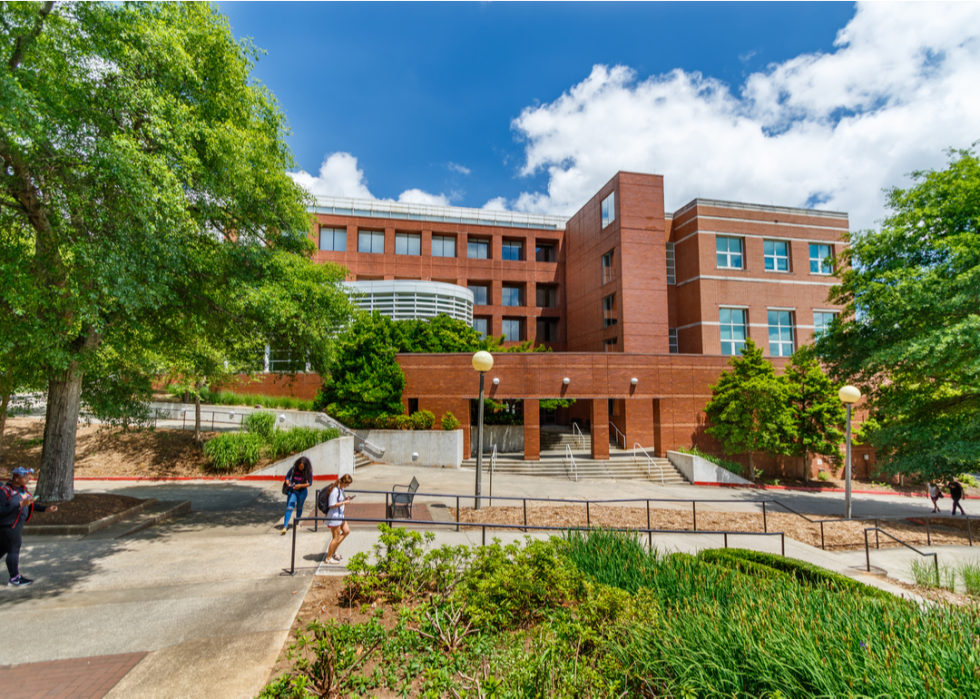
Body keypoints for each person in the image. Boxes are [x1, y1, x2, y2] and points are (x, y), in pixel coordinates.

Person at [1, 467, 58, 587]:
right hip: (8, 526)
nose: (28, 480)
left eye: (28, 477)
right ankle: (15, 578)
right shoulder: (4, 491)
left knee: (3, 548)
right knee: (13, 549)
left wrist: (46, 509)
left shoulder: (23, 490)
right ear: (16, 478)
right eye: (25, 477)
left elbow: (31, 504)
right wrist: (20, 504)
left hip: (17, 525)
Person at [323, 474, 354, 565]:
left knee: (346, 531)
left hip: (340, 514)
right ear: (344, 482)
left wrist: (346, 498)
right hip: (334, 516)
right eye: (347, 484)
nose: (348, 485)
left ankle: (333, 550)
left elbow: (339, 500)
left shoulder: (341, 489)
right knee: (335, 537)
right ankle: (328, 558)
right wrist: (344, 502)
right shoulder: (335, 490)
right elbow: (332, 504)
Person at [281, 456, 313, 535]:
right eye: (299, 466)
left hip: (302, 492)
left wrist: (300, 485)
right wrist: (288, 482)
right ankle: (285, 526)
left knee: (299, 507)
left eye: (302, 467)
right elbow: (287, 477)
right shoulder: (293, 469)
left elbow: (310, 483)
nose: (300, 468)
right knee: (289, 507)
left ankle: (297, 522)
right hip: (293, 491)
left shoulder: (308, 471)